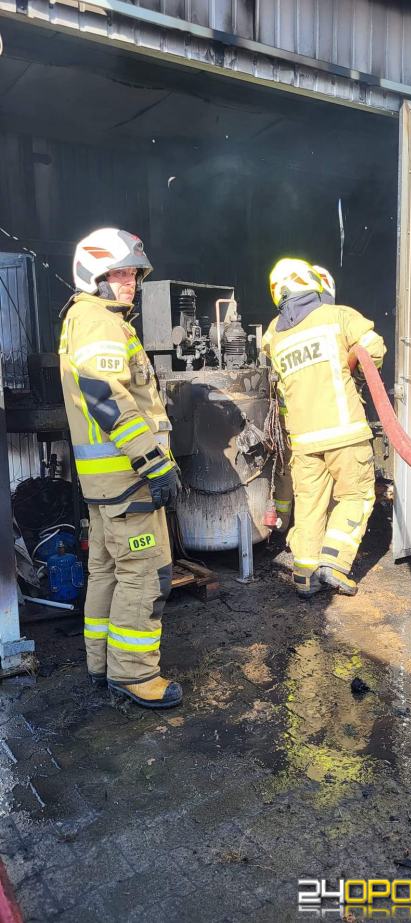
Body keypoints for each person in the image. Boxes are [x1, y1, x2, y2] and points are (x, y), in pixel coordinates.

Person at [59, 227, 183, 708]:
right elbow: (105, 396)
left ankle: (101, 663)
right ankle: (134, 673)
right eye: (119, 274)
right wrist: (153, 462)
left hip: (107, 484)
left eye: (133, 274)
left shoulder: (89, 319)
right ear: (94, 276)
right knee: (146, 574)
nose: (130, 282)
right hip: (128, 480)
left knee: (108, 572)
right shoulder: (98, 321)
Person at [262, 257, 386, 598]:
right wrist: (352, 367)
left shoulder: (275, 335)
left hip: (303, 440)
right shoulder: (338, 316)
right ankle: (334, 562)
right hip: (344, 432)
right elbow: (374, 350)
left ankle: (304, 575)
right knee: (356, 495)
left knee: (310, 507)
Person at [267, 265, 337, 533]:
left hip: (294, 425)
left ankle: (283, 528)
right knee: (320, 480)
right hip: (318, 424)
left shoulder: (280, 327)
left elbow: (267, 347)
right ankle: (322, 532)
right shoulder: (332, 322)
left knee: (290, 474)